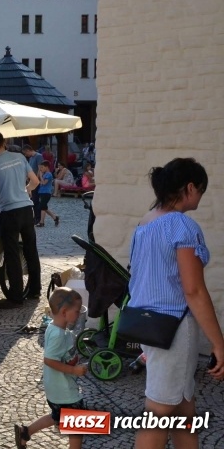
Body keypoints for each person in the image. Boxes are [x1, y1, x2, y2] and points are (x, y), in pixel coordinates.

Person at [126, 158, 224, 448]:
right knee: (159, 414)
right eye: (201, 191)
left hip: (148, 325)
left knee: (183, 407)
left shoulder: (146, 221)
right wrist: (218, 342)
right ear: (190, 188)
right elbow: (194, 290)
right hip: (174, 329)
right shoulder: (182, 226)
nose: (201, 198)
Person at [14, 287, 88, 449]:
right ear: (64, 312)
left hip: (55, 389)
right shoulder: (58, 335)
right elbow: (49, 360)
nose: (79, 314)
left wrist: (74, 363)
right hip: (65, 391)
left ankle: (25, 432)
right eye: (77, 311)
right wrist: (74, 370)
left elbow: (60, 356)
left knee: (58, 416)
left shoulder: (54, 328)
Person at [0, 131, 41, 303]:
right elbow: (35, 181)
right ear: (4, 142)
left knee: (12, 253)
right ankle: (35, 290)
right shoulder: (20, 157)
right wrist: (26, 190)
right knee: (31, 249)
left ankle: (16, 295)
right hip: (26, 208)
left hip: (9, 211)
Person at [22, 145, 45, 222]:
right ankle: (34, 216)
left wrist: (35, 179)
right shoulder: (31, 158)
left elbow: (40, 169)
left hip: (35, 181)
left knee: (35, 199)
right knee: (32, 199)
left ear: (28, 150)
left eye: (25, 153)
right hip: (31, 180)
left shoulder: (38, 156)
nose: (26, 155)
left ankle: (37, 218)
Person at [36, 161, 59, 227]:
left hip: (46, 193)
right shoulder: (44, 174)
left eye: (42, 167)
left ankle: (42, 222)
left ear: (46, 167)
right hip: (41, 192)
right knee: (44, 207)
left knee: (42, 207)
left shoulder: (49, 174)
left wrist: (41, 176)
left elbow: (44, 183)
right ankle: (55, 217)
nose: (41, 169)